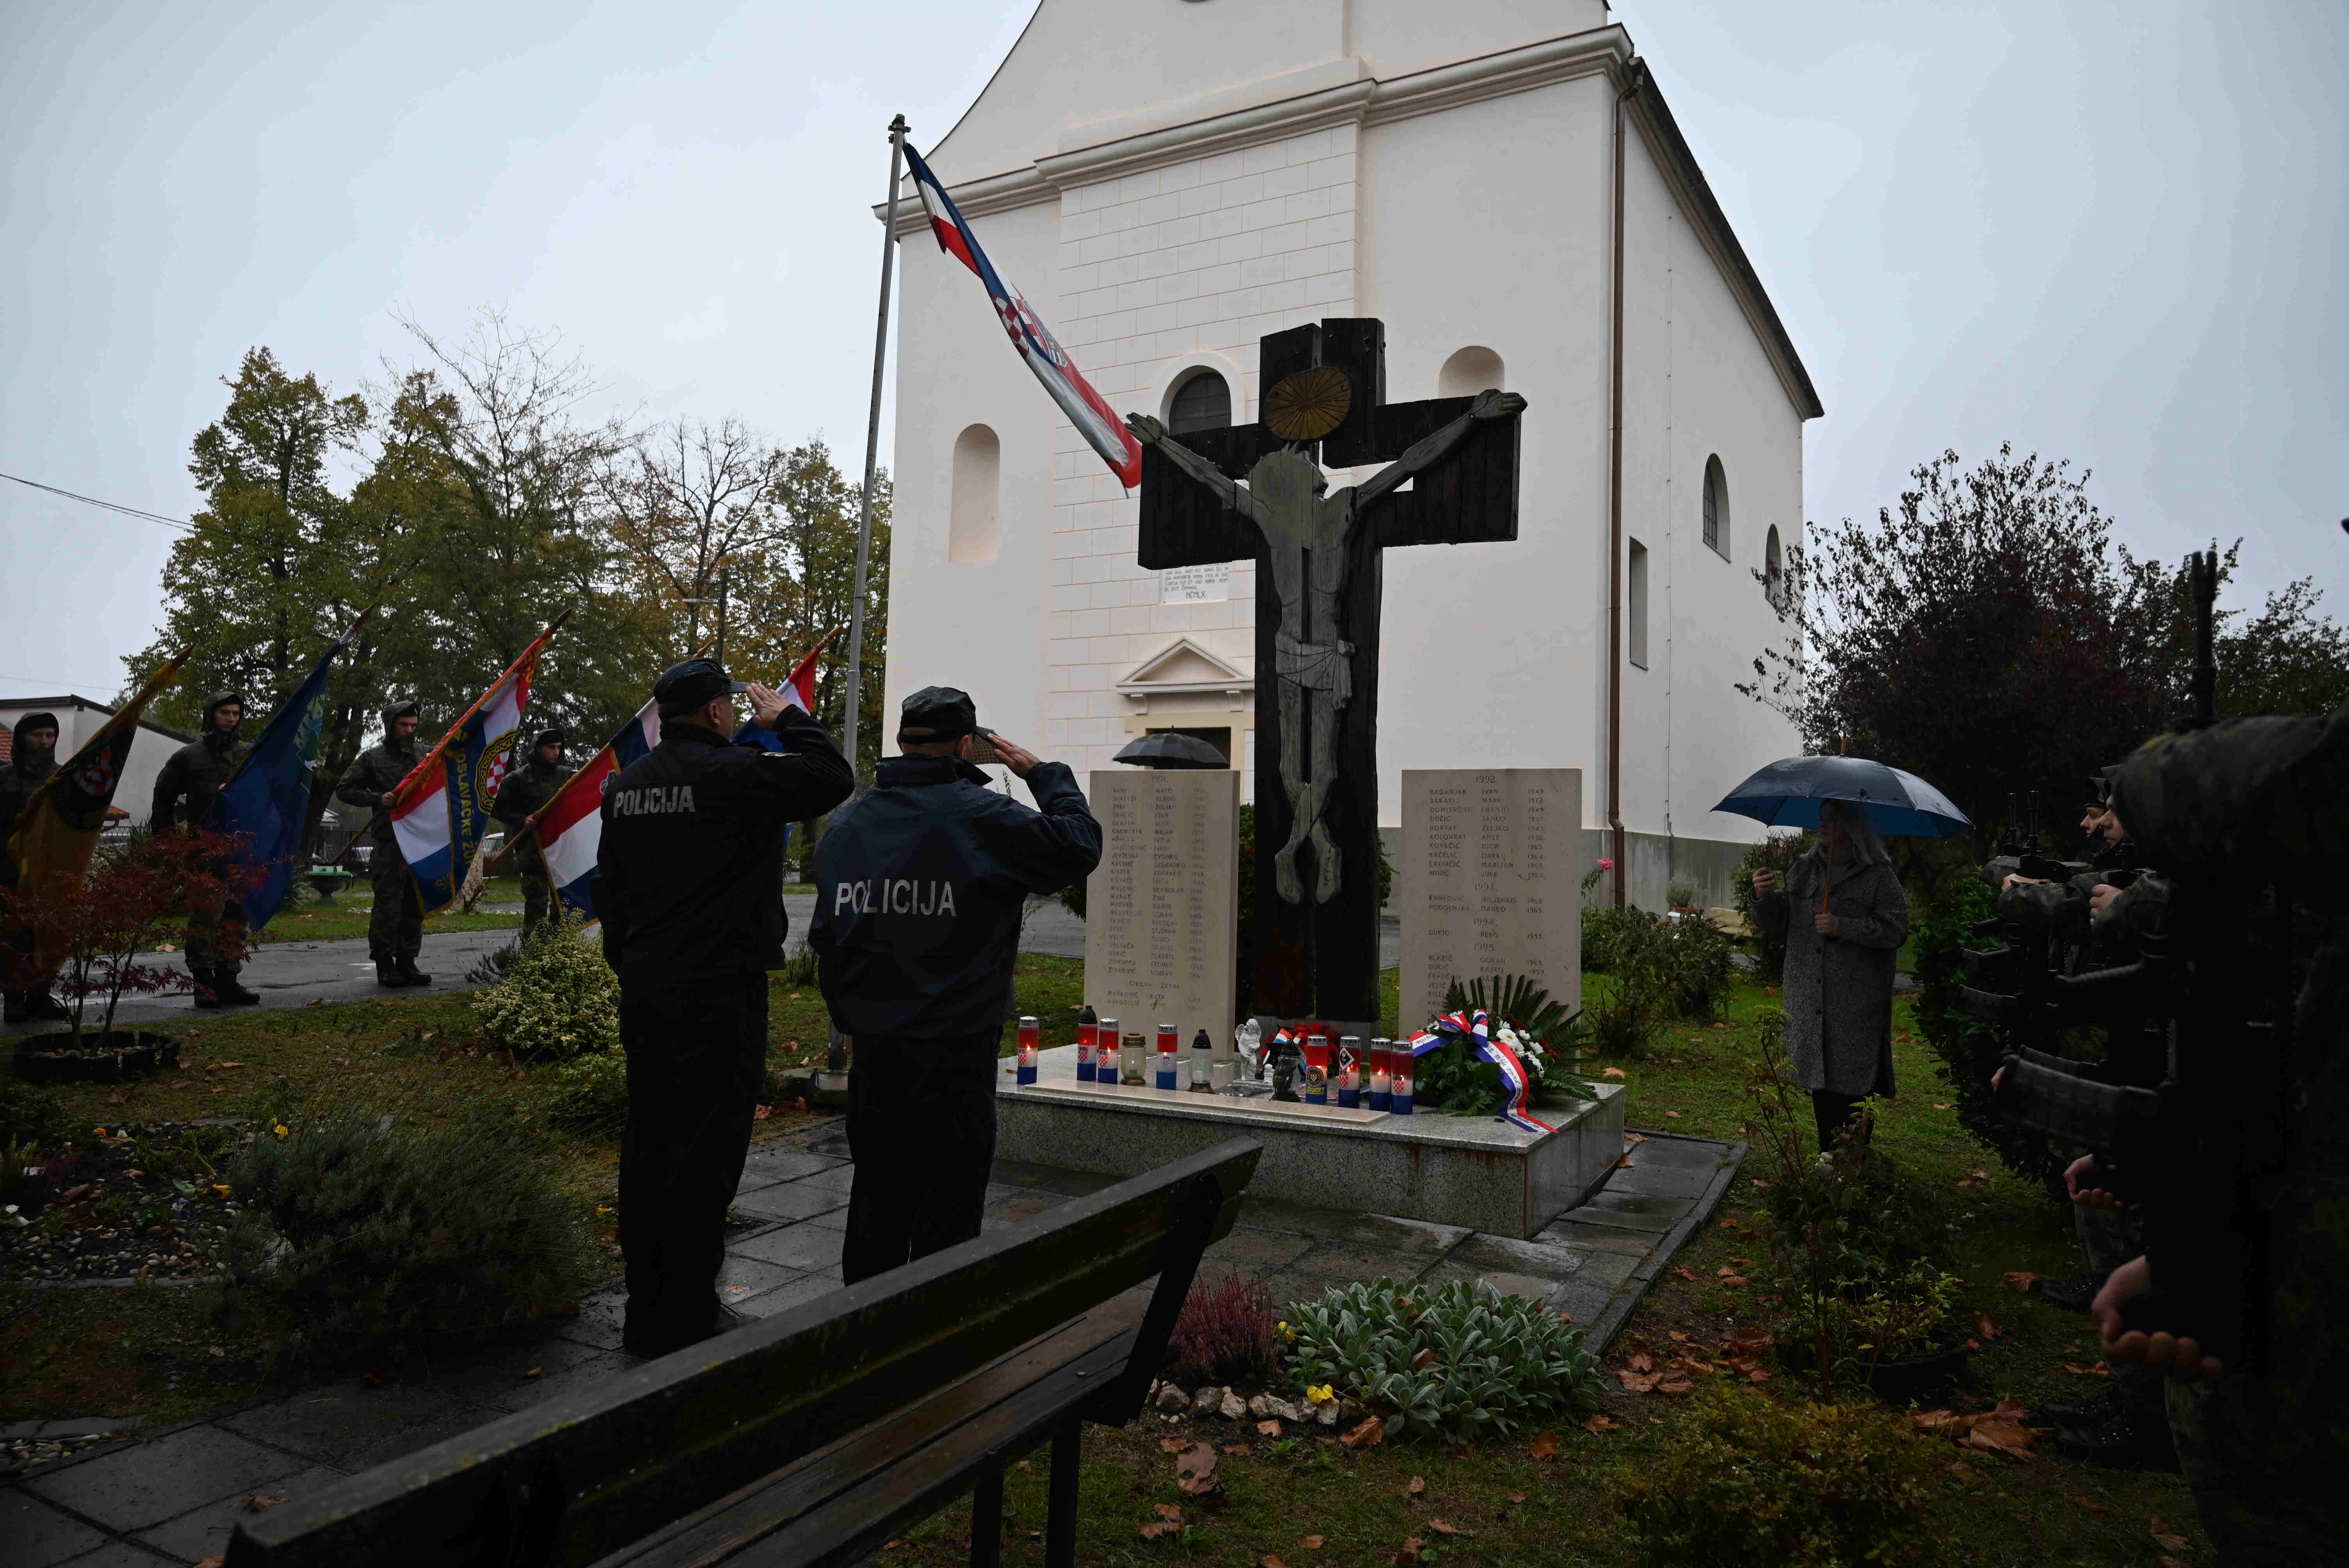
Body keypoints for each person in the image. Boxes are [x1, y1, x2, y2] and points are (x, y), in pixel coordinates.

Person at [597, 659, 852, 1357]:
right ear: (716, 712)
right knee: (708, 1152)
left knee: (650, 1143)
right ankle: (688, 1312)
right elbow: (832, 778)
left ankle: (647, 1307)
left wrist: (634, 965)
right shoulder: (737, 773)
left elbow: (611, 896)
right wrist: (788, 719)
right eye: (732, 708)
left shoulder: (625, 787)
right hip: (720, 992)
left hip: (649, 988)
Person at [810, 686, 1101, 1285]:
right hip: (957, 1053)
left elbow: (828, 940)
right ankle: (936, 1328)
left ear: (901, 741)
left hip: (879, 1054)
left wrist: (855, 1018)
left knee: (877, 1199)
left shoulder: (849, 824)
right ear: (966, 745)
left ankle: (865, 1325)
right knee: (950, 1207)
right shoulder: (984, 817)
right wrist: (1046, 776)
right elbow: (1080, 845)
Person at [1751, 797, 1911, 1152]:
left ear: (1853, 826)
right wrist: (1763, 898)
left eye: (1833, 819)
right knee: (1821, 1082)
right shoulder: (1805, 868)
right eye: (1822, 818)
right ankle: (1829, 1160)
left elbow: (1896, 929)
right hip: (1810, 1002)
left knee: (1854, 1086)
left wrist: (1844, 926)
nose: (1823, 825)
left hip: (1854, 1007)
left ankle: (1850, 1164)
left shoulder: (1879, 875)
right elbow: (1779, 923)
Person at [151, 691, 260, 1008]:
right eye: (224, 712)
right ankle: (203, 983)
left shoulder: (249, 754)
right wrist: (168, 842)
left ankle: (228, 979)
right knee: (205, 917)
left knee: (236, 917)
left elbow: (266, 795)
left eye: (236, 713)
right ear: (211, 714)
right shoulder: (189, 757)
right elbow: (163, 799)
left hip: (243, 849)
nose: (231, 719)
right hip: (205, 848)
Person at [335, 700, 431, 989]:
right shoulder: (372, 758)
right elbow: (345, 789)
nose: (409, 730)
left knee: (415, 904)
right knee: (388, 905)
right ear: (390, 725)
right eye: (403, 725)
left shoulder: (427, 754)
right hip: (390, 841)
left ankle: (408, 960)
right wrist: (378, 798)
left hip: (422, 840)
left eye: (414, 726)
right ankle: (385, 964)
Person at [0, 711, 68, 1023]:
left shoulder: (63, 778)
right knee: (13, 936)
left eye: (50, 735)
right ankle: (14, 999)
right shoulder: (4, 778)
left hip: (52, 868)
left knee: (49, 934)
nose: (44, 741)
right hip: (9, 870)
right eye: (37, 735)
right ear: (21, 738)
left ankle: (40, 996)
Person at [490, 727, 567, 937]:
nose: (556, 752)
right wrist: (521, 819)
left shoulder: (566, 775)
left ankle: (559, 948)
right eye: (551, 747)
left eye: (559, 748)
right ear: (538, 748)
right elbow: (495, 807)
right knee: (537, 903)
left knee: (563, 903)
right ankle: (533, 949)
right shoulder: (517, 779)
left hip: (561, 849)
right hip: (532, 851)